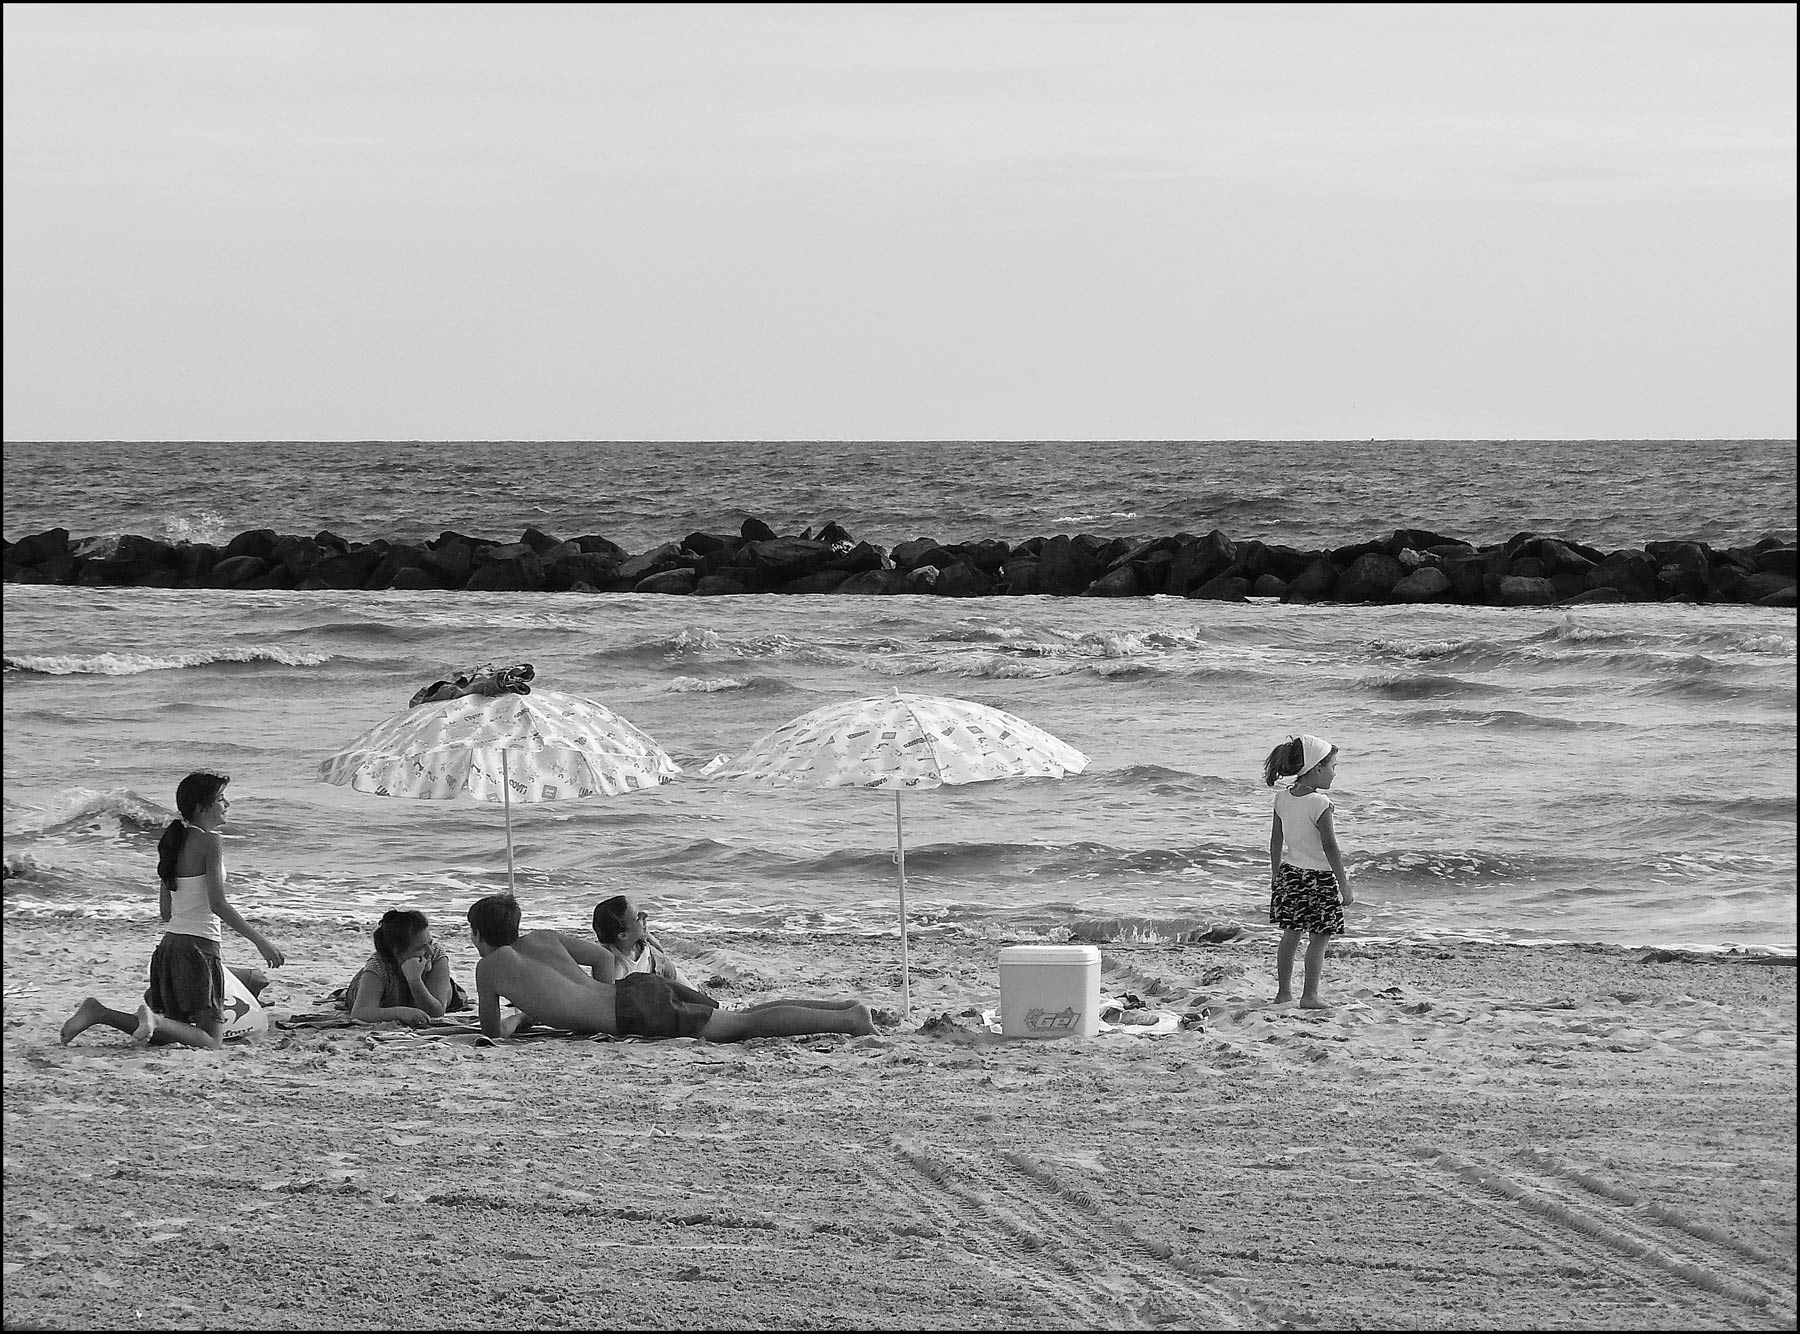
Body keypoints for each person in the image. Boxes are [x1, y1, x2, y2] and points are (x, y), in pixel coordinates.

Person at [60, 771, 285, 1049]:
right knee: (210, 1040)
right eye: (221, 799)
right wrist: (261, 942)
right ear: (202, 807)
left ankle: (99, 1012)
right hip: (198, 950)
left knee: (170, 1033)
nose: (227, 805)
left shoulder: (173, 840)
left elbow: (166, 911)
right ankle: (149, 1019)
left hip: (169, 949)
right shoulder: (209, 841)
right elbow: (218, 904)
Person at [468, 894, 873, 1042]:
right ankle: (841, 1007)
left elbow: (489, 1033)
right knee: (740, 1015)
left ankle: (851, 1020)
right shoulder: (542, 938)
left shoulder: (489, 970)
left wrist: (520, 1018)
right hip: (634, 991)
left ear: (477, 935)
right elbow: (604, 958)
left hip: (632, 1012)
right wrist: (595, 1000)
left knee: (741, 1028)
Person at [1263, 733, 1355, 1009]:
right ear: (1316, 769)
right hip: (1320, 879)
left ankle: (1283, 993)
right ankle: (1310, 995)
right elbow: (1330, 846)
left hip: (1290, 874)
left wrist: (1275, 871)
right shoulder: (1320, 803)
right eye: (1332, 767)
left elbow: (1276, 838)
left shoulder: (1282, 799)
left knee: (1290, 934)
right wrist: (1344, 883)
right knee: (1319, 938)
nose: (1334, 773)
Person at [342, 909, 468, 1026]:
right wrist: (399, 1012)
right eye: (420, 948)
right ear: (398, 952)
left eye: (430, 943)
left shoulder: (436, 955)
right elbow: (359, 1013)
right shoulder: (378, 966)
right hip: (375, 991)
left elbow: (436, 1012)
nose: (429, 951)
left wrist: (415, 980)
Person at [590, 894, 691, 986]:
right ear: (623, 935)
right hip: (644, 988)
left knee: (696, 996)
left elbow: (660, 953)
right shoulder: (615, 966)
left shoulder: (640, 941)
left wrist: (645, 933)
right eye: (638, 917)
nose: (645, 915)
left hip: (659, 968)